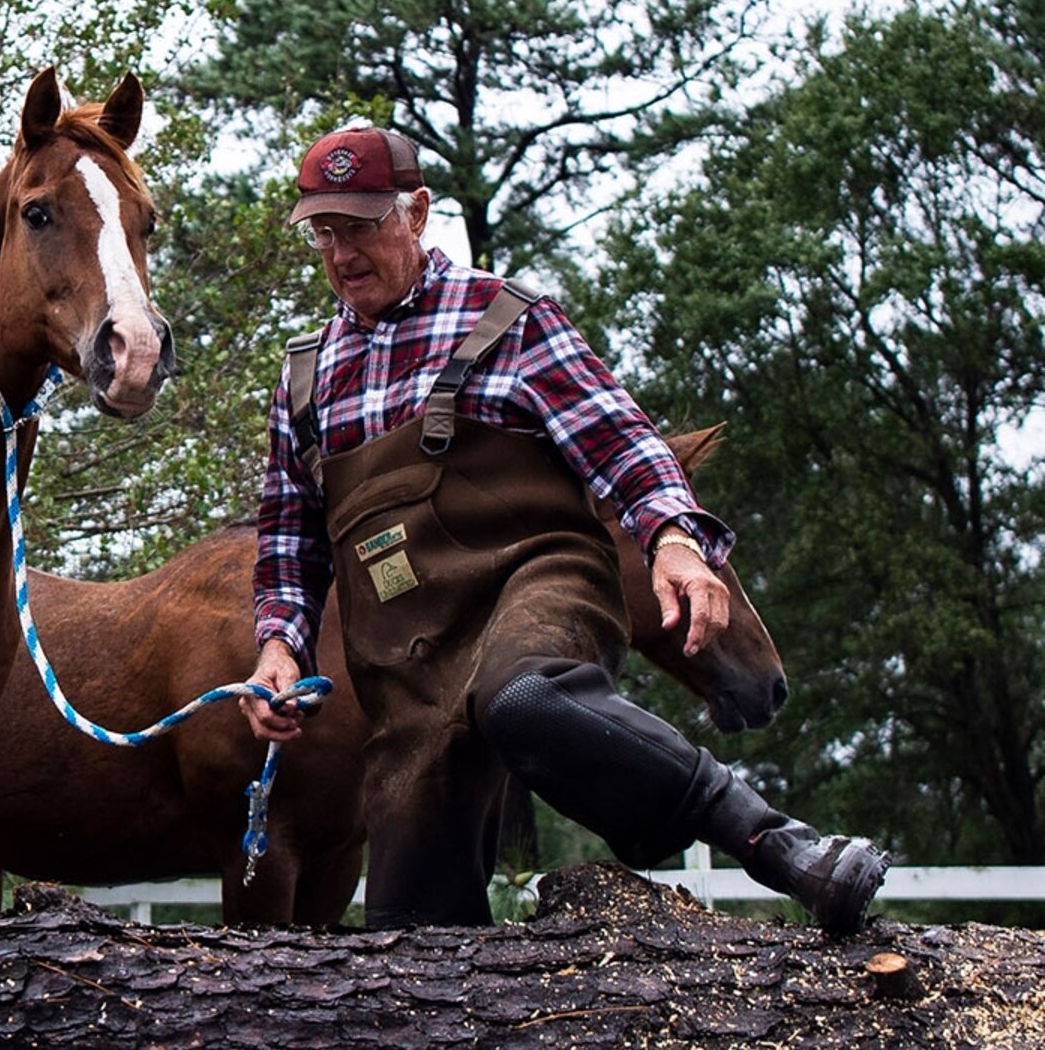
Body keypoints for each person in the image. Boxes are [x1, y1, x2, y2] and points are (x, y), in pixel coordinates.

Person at [237, 124, 887, 934]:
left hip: (534, 588)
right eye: (324, 233)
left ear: (417, 213)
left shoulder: (507, 319)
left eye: (362, 227)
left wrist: (674, 540)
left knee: (526, 698)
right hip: (410, 672)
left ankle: (780, 846)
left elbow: (622, 441)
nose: (342, 254)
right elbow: (289, 541)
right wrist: (279, 647)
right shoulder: (305, 378)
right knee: (411, 934)